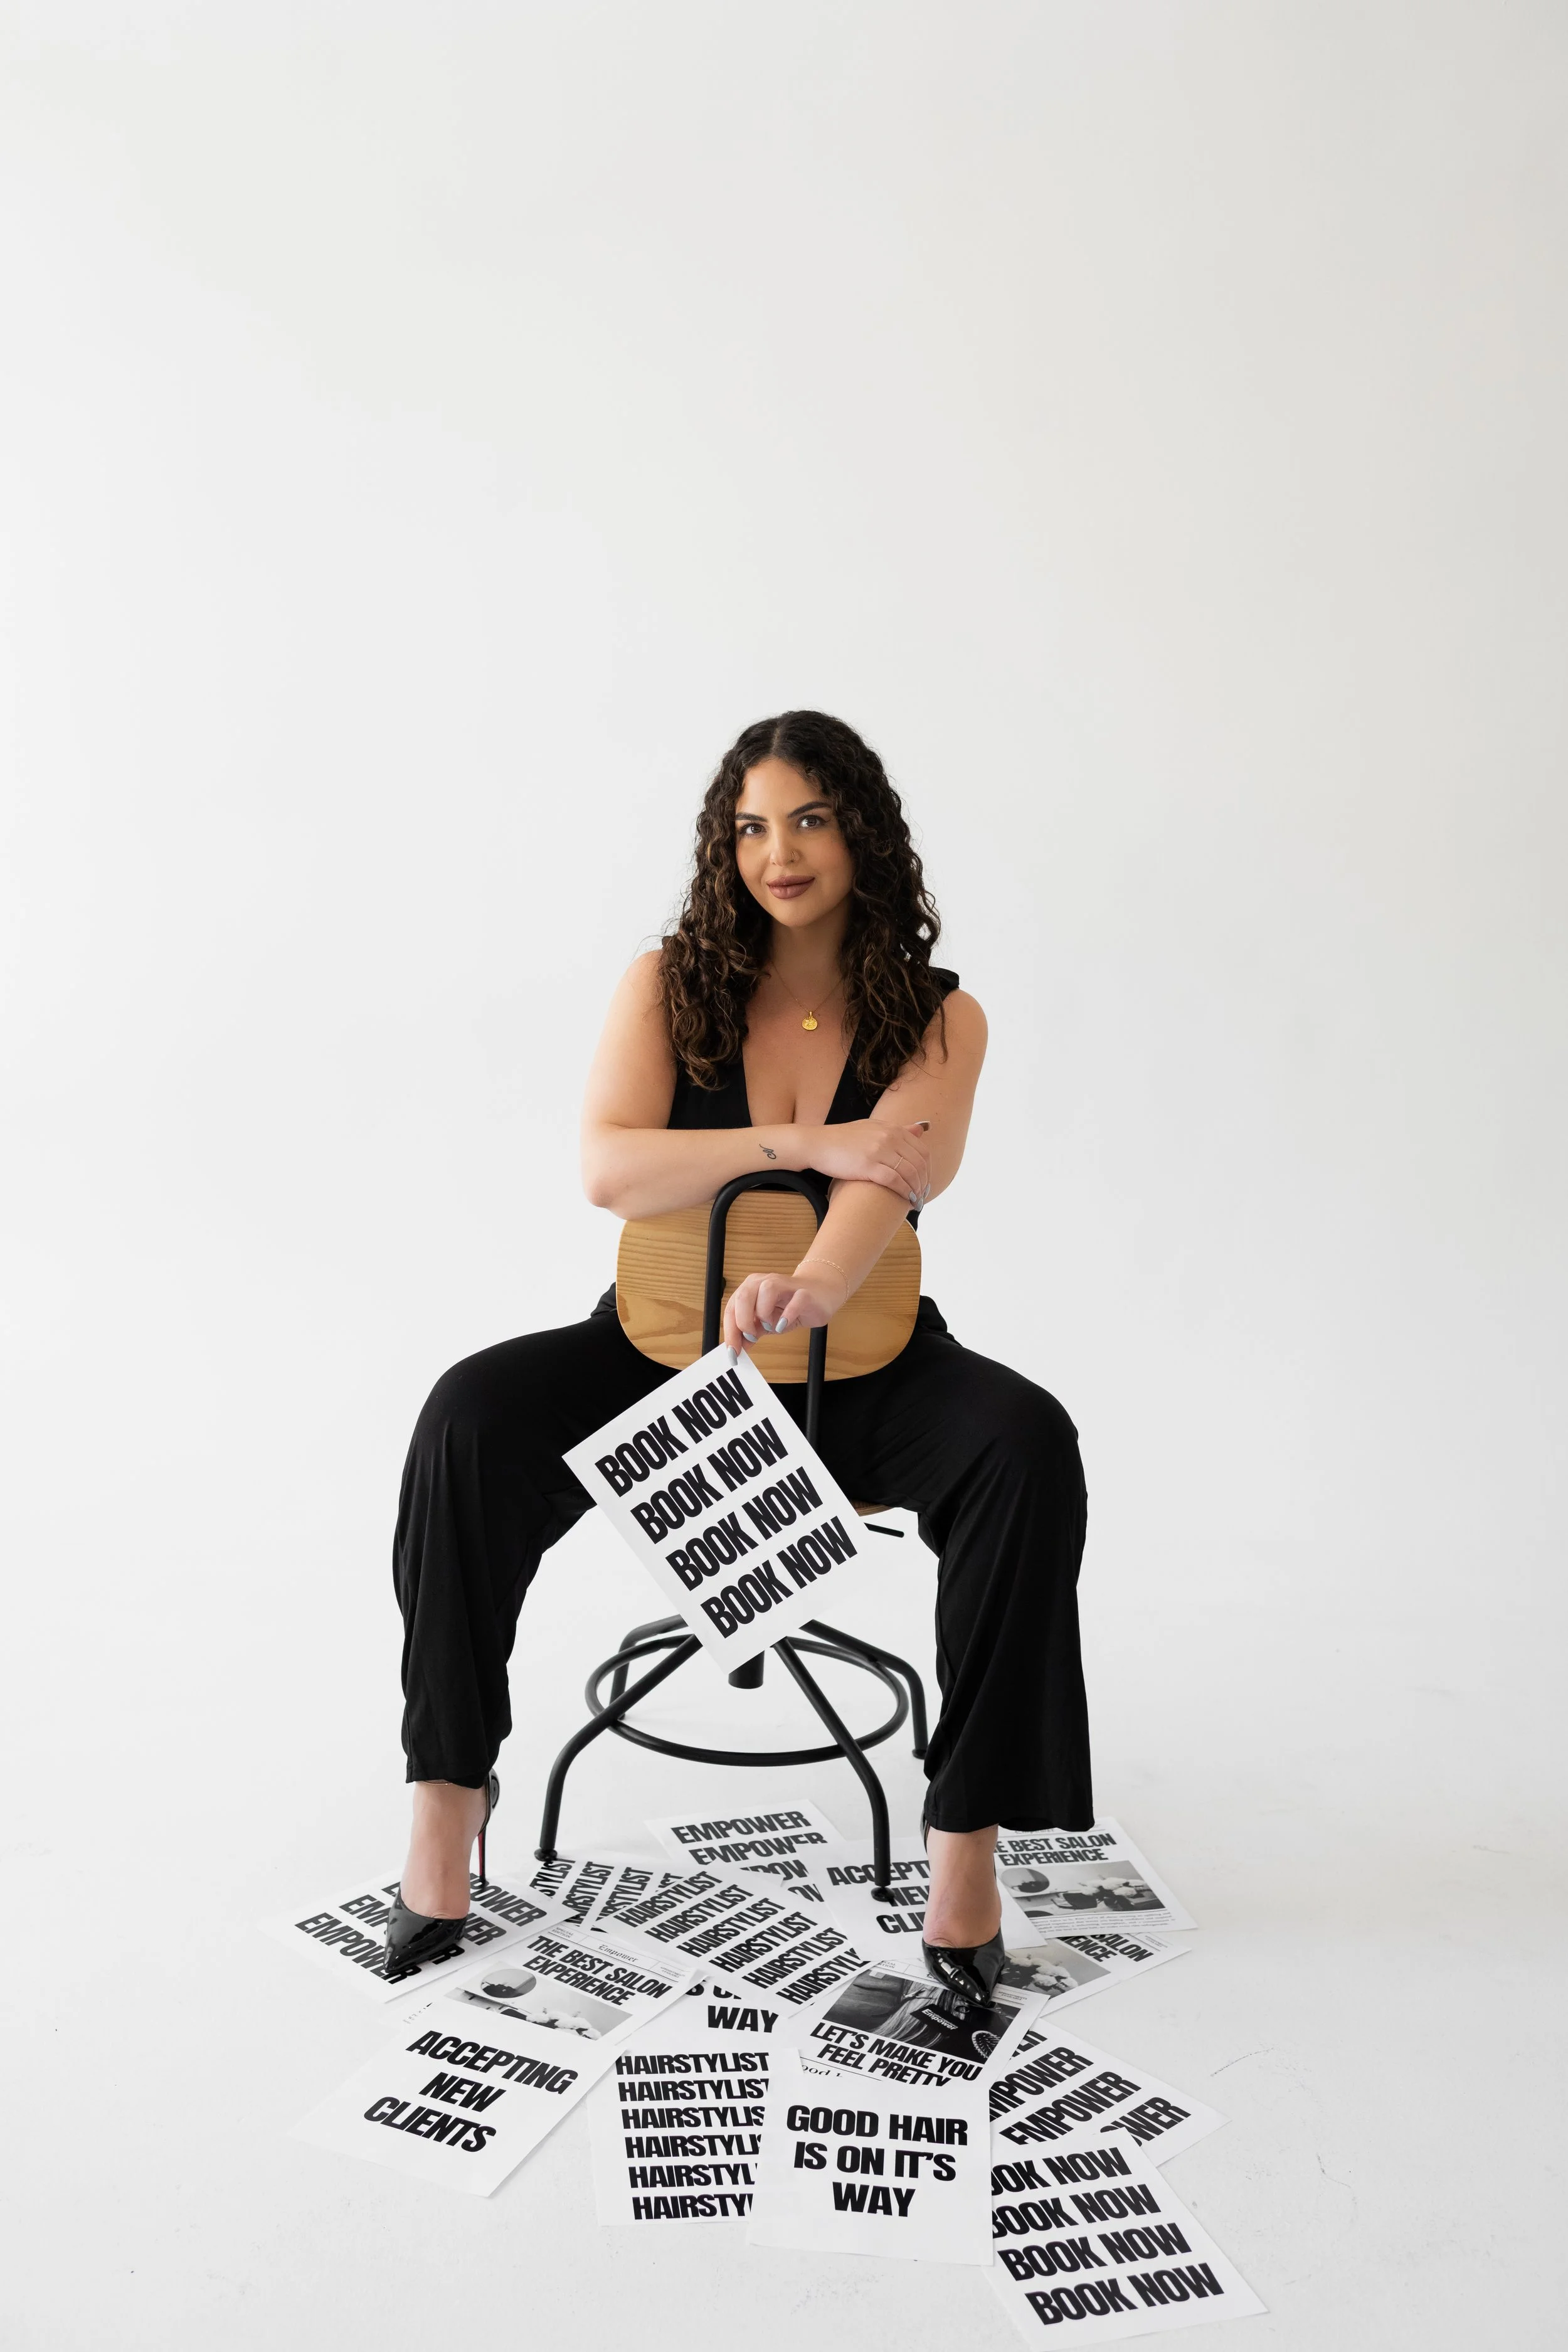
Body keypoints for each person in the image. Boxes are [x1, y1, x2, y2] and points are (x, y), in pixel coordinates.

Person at [384, 709, 1092, 2006]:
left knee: (1022, 1440)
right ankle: (446, 1798)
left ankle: (965, 1849)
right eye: (751, 825)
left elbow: (896, 1176)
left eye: (810, 818)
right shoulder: (667, 985)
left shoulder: (942, 1016)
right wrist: (800, 1149)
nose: (780, 850)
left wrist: (812, 1281)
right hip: (664, 1352)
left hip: (860, 1364)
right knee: (469, 1414)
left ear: (861, 832)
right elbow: (610, 1167)